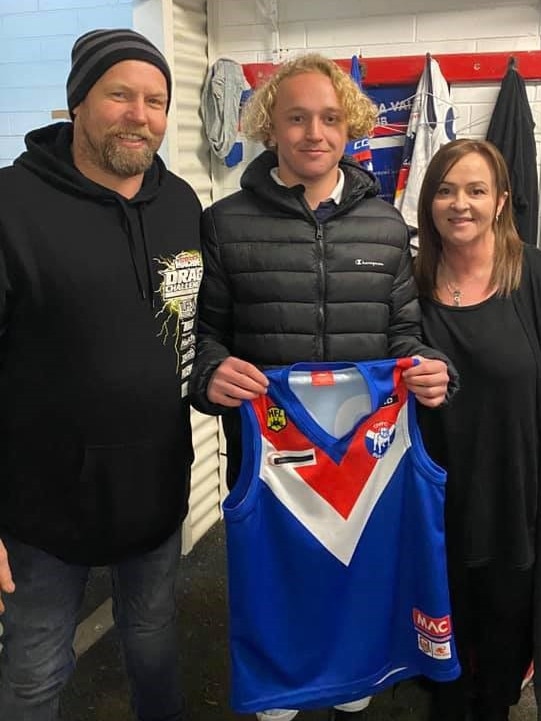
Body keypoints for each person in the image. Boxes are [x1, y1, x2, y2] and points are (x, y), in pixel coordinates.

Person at [189, 53, 456, 721]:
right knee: (276, 579)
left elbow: (403, 337)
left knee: (355, 580)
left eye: (330, 118)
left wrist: (428, 367)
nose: (314, 132)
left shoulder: (387, 225)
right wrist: (210, 374)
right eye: (297, 118)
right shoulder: (224, 223)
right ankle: (278, 681)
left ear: (351, 126)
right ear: (269, 125)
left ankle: (351, 672)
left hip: (366, 462)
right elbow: (205, 341)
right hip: (271, 460)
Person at [0, 28, 202, 721]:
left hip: (154, 490)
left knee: (151, 639)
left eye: (155, 100)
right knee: (34, 671)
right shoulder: (10, 205)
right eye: (120, 94)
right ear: (78, 102)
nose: (139, 114)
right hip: (40, 507)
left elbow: (186, 331)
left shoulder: (181, 206)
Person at [414, 138, 540, 721]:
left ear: (500, 202)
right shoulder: (406, 288)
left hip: (515, 510)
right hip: (432, 516)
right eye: (444, 189)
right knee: (441, 674)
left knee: (497, 675)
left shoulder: (532, 278)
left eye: (475, 190)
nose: (458, 203)